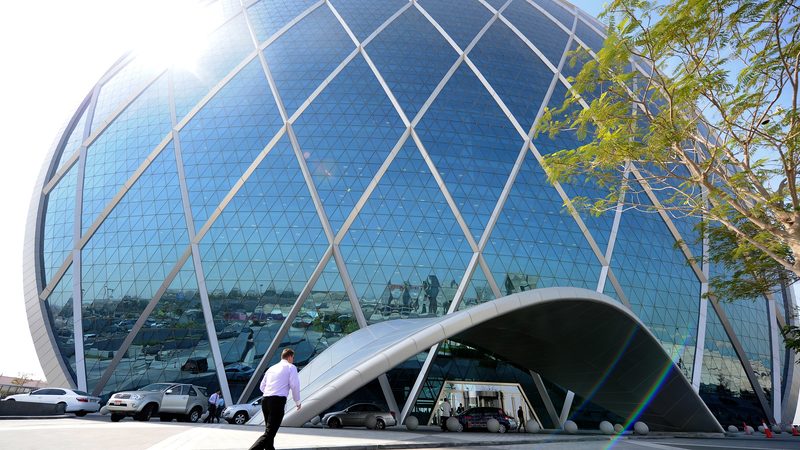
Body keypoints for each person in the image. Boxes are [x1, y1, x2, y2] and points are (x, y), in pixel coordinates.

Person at [249, 348, 301, 450]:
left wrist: (270, 391)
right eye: (293, 358)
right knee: (269, 433)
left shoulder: (271, 368)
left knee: (269, 431)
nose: (293, 360)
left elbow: (262, 386)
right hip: (277, 401)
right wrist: (297, 401)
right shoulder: (291, 367)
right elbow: (294, 385)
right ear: (290, 357)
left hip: (265, 400)